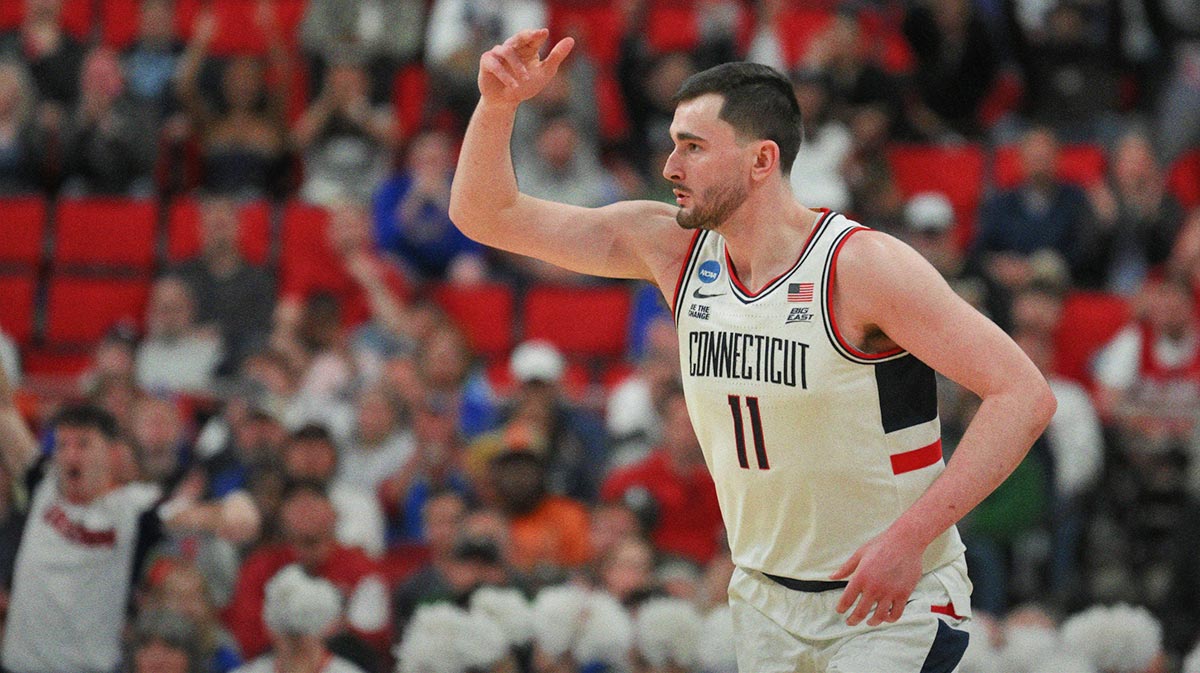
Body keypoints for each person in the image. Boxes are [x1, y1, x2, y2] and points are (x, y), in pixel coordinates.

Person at [449, 29, 1056, 671]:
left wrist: (912, 539)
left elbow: (1023, 395)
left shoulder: (860, 266)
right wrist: (496, 107)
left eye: (693, 148)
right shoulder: (672, 248)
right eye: (672, 145)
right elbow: (489, 216)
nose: (669, 168)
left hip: (891, 605)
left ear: (761, 161)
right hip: (765, 601)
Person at [0, 367, 259, 673]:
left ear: (111, 455)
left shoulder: (136, 506)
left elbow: (198, 516)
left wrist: (234, 508)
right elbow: (4, 410)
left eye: (83, 444)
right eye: (63, 445)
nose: (71, 455)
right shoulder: (43, 483)